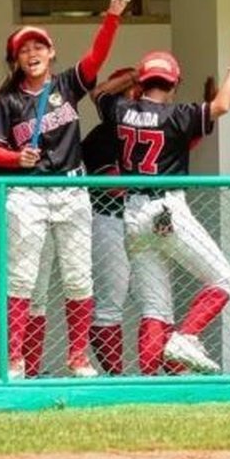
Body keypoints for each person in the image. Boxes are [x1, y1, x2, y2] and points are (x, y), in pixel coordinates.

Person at [0, 0, 132, 379]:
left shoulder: (65, 84)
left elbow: (96, 59)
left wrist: (111, 17)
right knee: (22, 279)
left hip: (71, 188)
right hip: (28, 193)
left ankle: (78, 358)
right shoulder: (8, 100)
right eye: (23, 50)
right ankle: (14, 360)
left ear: (51, 52)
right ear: (15, 60)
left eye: (38, 47)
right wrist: (17, 158)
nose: (31, 54)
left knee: (78, 275)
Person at [97, 41, 230, 374]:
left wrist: (131, 76)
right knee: (222, 279)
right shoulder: (176, 114)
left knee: (155, 309)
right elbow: (222, 104)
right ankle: (186, 336)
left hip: (132, 213)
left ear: (143, 81)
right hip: (166, 208)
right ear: (173, 83)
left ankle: (153, 385)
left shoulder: (120, 110)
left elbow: (99, 92)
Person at [0, 88, 56, 377]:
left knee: (38, 288)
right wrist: (1, 99)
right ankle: (4, 368)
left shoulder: (54, 98)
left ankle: (31, 371)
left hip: (41, 194)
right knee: (4, 282)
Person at [82, 68, 136, 375]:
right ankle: (117, 377)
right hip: (109, 219)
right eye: (134, 92)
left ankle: (153, 376)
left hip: (144, 221)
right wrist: (149, 180)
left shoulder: (149, 129)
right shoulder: (104, 133)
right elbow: (111, 183)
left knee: (156, 302)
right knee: (110, 304)